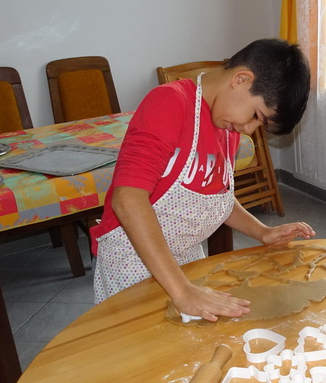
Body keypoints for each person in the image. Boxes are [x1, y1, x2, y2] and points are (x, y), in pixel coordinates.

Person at [92, 38, 314, 321]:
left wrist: (261, 231)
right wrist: (182, 291)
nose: (249, 130)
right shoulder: (169, 103)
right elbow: (128, 199)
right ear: (241, 79)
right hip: (134, 263)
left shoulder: (228, 128)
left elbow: (215, 196)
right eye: (256, 115)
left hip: (186, 261)